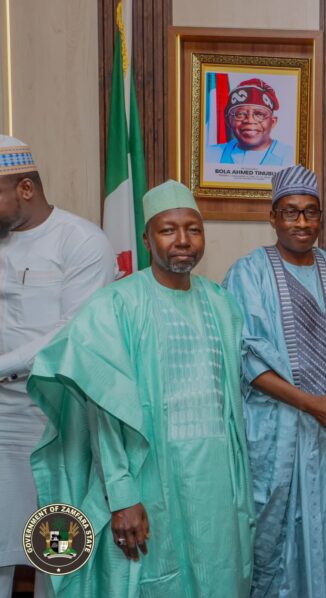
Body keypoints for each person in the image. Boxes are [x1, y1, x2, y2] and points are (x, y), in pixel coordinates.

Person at [27, 180, 254, 597]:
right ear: (147, 239)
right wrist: (122, 496)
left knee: (220, 576)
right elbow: (104, 412)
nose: (183, 240)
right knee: (152, 580)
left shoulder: (223, 305)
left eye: (193, 228)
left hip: (217, 484)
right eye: (168, 230)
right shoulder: (115, 305)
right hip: (149, 477)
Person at [223, 164, 326, 598]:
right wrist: (310, 404)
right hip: (277, 433)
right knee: (273, 537)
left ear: (321, 218)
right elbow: (245, 360)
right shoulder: (248, 273)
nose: (301, 222)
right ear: (272, 217)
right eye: (291, 212)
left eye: (310, 213)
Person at [0, 135, 115, 598]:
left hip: (55, 414)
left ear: (26, 187)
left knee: (55, 543)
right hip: (1, 417)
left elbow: (71, 331)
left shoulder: (81, 240)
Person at [206, 78, 294, 166]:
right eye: (240, 114)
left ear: (273, 122)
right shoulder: (208, 155)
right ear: (228, 121)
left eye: (259, 114)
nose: (250, 120)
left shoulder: (292, 157)